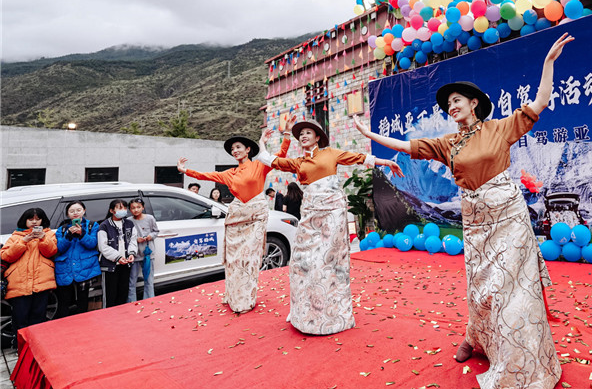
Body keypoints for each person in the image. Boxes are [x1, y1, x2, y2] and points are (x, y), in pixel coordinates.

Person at [353, 32, 574, 389]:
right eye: (447, 104)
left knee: (512, 289)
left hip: (509, 218)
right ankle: (476, 337)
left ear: (474, 103)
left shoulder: (499, 128)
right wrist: (370, 134)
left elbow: (540, 101)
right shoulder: (447, 143)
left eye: (456, 101)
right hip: (476, 224)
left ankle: (521, 362)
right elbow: (406, 146)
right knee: (482, 288)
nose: (451, 106)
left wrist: (548, 63)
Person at [259, 118, 402, 335]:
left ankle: (333, 313)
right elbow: (269, 160)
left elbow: (360, 158)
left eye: (308, 133)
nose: (304, 136)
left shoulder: (331, 153)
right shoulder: (298, 162)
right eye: (301, 134)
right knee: (300, 262)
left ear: (318, 137)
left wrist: (386, 162)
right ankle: (302, 309)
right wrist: (264, 141)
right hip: (310, 216)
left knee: (328, 262)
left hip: (332, 215)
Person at [176, 118, 295, 314]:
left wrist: (287, 133)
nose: (235, 151)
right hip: (236, 221)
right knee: (234, 261)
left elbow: (280, 155)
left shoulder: (260, 166)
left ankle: (245, 299)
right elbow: (206, 175)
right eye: (232, 149)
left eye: (238, 147)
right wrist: (185, 171)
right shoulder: (229, 173)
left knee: (249, 259)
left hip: (255, 219)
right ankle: (233, 295)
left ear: (248, 149)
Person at [1, 208, 58, 342]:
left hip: (41, 283)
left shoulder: (48, 234)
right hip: (19, 284)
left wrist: (43, 238)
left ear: (42, 221)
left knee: (38, 318)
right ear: (24, 221)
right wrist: (24, 241)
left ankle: (36, 347)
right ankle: (20, 346)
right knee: (20, 318)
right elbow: (5, 256)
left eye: (38, 219)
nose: (34, 222)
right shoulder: (15, 236)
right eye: (30, 219)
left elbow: (51, 251)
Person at [54, 201, 101, 318]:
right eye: (71, 211)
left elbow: (92, 244)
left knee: (83, 299)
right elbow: (59, 248)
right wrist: (68, 235)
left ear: (84, 211)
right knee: (64, 301)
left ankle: (82, 323)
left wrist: (82, 234)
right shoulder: (62, 229)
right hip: (65, 268)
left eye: (78, 210)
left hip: (85, 268)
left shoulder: (92, 226)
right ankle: (64, 324)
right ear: (67, 214)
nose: (75, 213)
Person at [98, 199, 138, 308]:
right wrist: (118, 257)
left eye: (125, 208)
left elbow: (133, 240)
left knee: (123, 293)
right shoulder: (104, 225)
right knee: (110, 295)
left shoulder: (129, 224)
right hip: (111, 266)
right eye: (120, 208)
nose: (123, 210)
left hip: (125, 264)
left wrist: (131, 254)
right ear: (112, 210)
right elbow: (103, 246)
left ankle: (121, 314)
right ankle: (109, 315)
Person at [127, 198, 159, 301]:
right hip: (134, 255)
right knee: (132, 280)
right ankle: (131, 301)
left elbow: (156, 231)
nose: (136, 210)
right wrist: (136, 239)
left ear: (143, 207)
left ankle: (149, 300)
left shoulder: (150, 218)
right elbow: (126, 237)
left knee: (149, 279)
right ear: (130, 209)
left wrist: (150, 236)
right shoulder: (128, 221)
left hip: (148, 254)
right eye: (133, 208)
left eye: (138, 207)